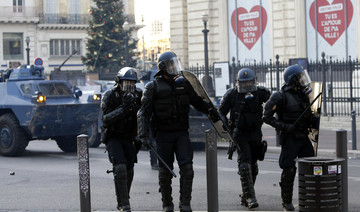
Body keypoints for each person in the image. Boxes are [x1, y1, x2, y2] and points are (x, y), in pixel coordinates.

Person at [137, 51, 218, 212]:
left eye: (175, 63)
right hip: (163, 135)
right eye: (171, 64)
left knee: (187, 169)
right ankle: (167, 204)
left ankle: (185, 203)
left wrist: (211, 110)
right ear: (163, 68)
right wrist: (143, 135)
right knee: (165, 172)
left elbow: (197, 102)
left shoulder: (184, 84)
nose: (174, 67)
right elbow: (143, 113)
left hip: (181, 133)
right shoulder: (152, 87)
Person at [263, 64, 315, 211]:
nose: (303, 79)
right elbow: (266, 117)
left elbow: (309, 114)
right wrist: (285, 127)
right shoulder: (280, 96)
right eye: (300, 77)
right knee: (289, 169)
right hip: (290, 138)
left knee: (310, 166)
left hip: (303, 136)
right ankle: (286, 202)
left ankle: (309, 198)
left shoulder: (303, 94)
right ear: (292, 79)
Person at [218, 68, 270, 209]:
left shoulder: (260, 92)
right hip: (240, 134)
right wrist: (228, 130)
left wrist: (271, 116)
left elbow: (274, 102)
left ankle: (245, 194)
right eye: (244, 83)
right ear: (239, 83)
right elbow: (220, 113)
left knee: (253, 167)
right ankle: (250, 198)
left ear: (253, 82)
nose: (247, 85)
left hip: (255, 133)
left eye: (249, 82)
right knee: (245, 164)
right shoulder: (232, 94)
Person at [100, 67, 142, 212]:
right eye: (125, 84)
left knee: (129, 169)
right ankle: (124, 204)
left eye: (132, 83)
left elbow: (143, 116)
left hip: (130, 137)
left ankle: (123, 197)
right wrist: (123, 108)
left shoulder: (139, 95)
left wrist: (144, 136)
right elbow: (105, 120)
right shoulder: (110, 95)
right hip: (113, 136)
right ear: (119, 82)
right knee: (120, 167)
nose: (129, 87)